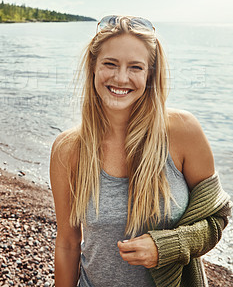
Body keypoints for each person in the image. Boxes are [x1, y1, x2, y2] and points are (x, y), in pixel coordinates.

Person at [50, 15, 231, 287]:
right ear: (93, 67)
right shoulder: (68, 149)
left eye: (135, 67)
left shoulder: (183, 132)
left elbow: (217, 218)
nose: (121, 78)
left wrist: (166, 246)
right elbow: (67, 243)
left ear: (150, 74)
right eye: (110, 64)